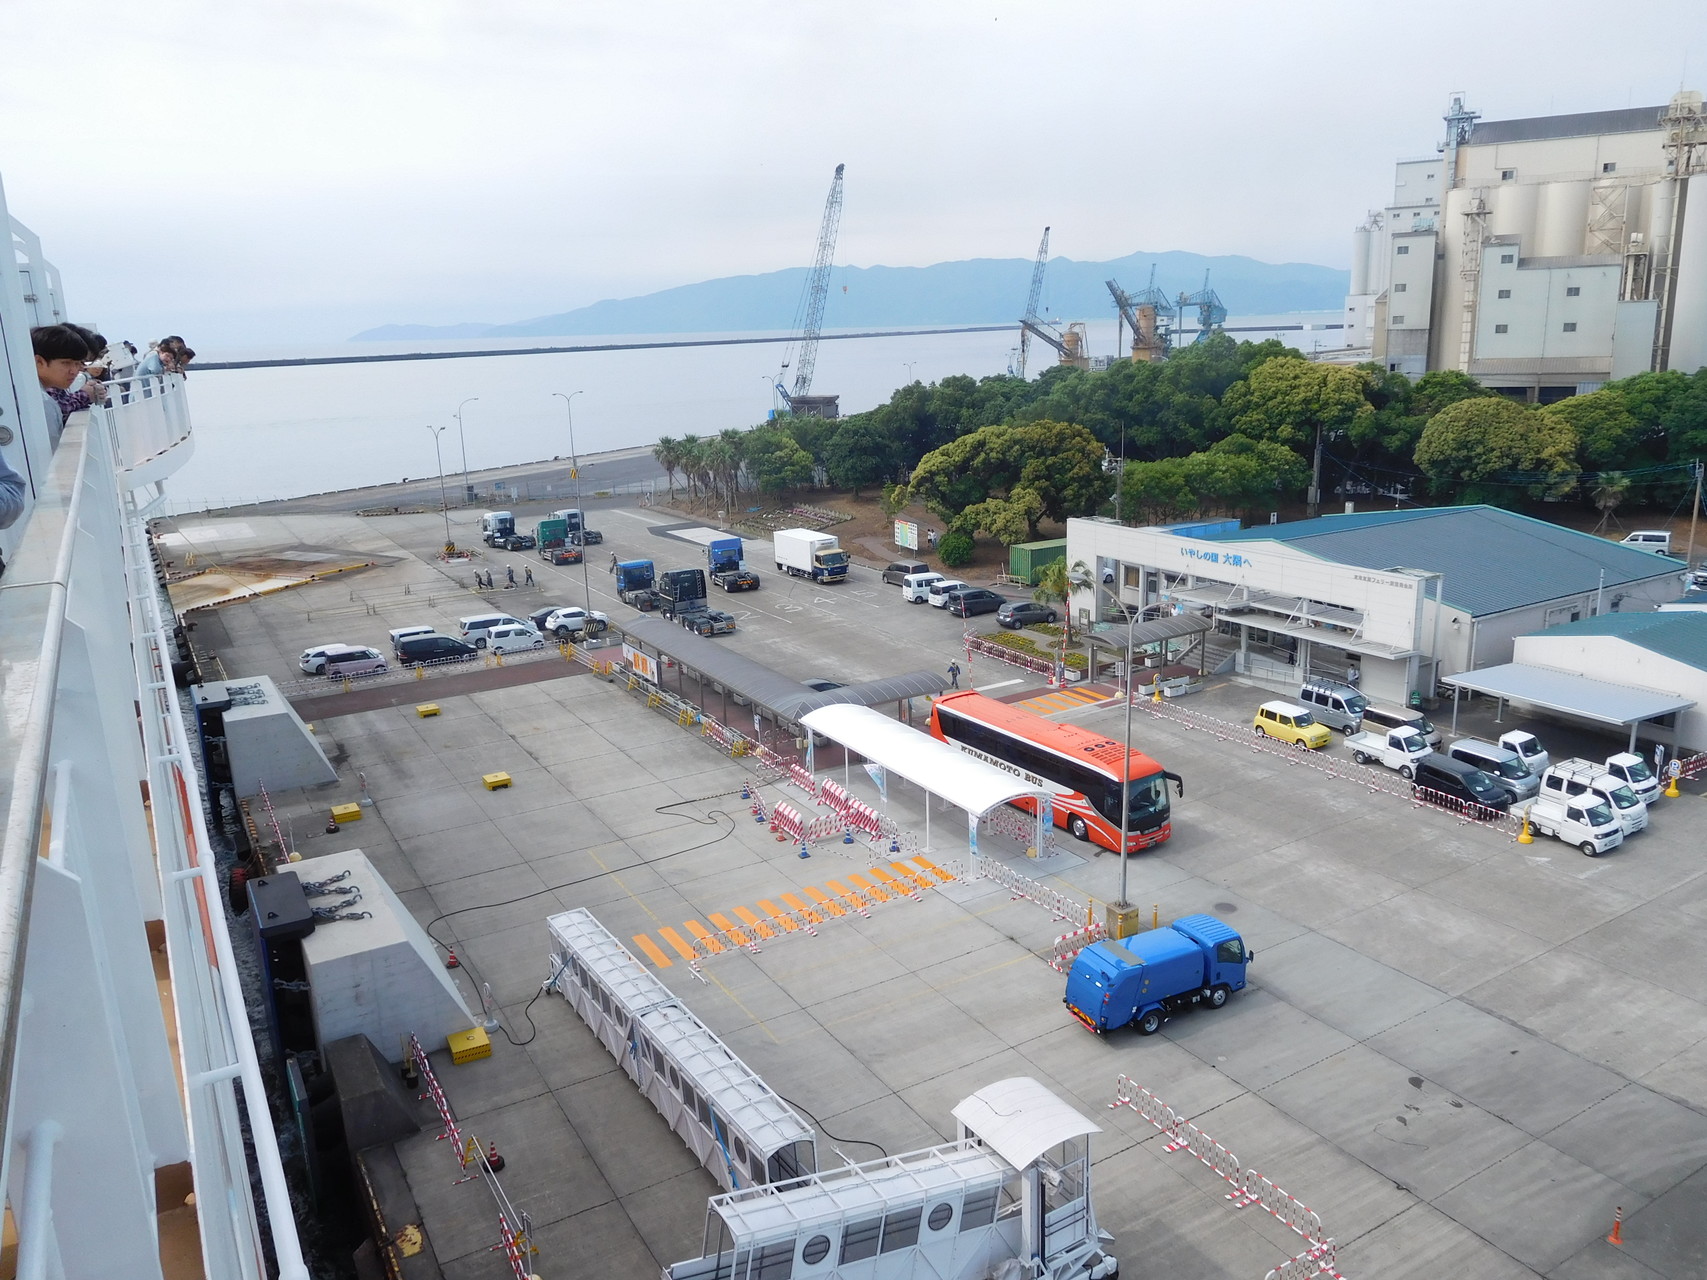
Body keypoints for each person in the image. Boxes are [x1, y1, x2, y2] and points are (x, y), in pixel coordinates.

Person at [32, 325, 106, 444]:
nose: (75, 370)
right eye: (66, 363)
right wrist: (85, 395)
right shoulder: (40, 403)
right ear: (39, 361)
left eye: (78, 363)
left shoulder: (40, 395)